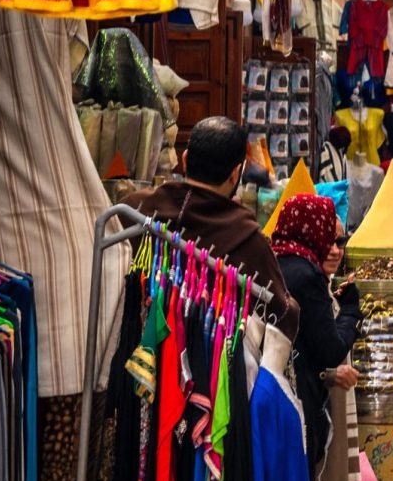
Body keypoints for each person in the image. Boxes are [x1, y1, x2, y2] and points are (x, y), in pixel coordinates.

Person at [124, 116, 299, 337]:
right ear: (236, 173)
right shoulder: (249, 239)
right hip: (210, 365)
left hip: (131, 347)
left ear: (185, 159)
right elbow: (281, 314)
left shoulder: (132, 209)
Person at [271, 195, 362, 481]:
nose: (334, 247)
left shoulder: (273, 262)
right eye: (330, 236)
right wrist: (352, 314)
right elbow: (327, 348)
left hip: (270, 397)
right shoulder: (307, 276)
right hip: (298, 404)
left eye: (340, 241)